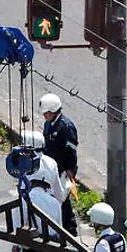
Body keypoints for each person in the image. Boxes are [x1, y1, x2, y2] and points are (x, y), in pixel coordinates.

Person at [40, 94, 79, 235]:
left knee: (62, 199)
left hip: (63, 170)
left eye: (47, 113)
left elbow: (71, 150)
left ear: (54, 111)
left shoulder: (66, 127)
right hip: (51, 169)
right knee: (58, 199)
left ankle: (70, 230)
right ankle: (62, 227)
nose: (44, 116)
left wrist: (70, 169)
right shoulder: (48, 125)